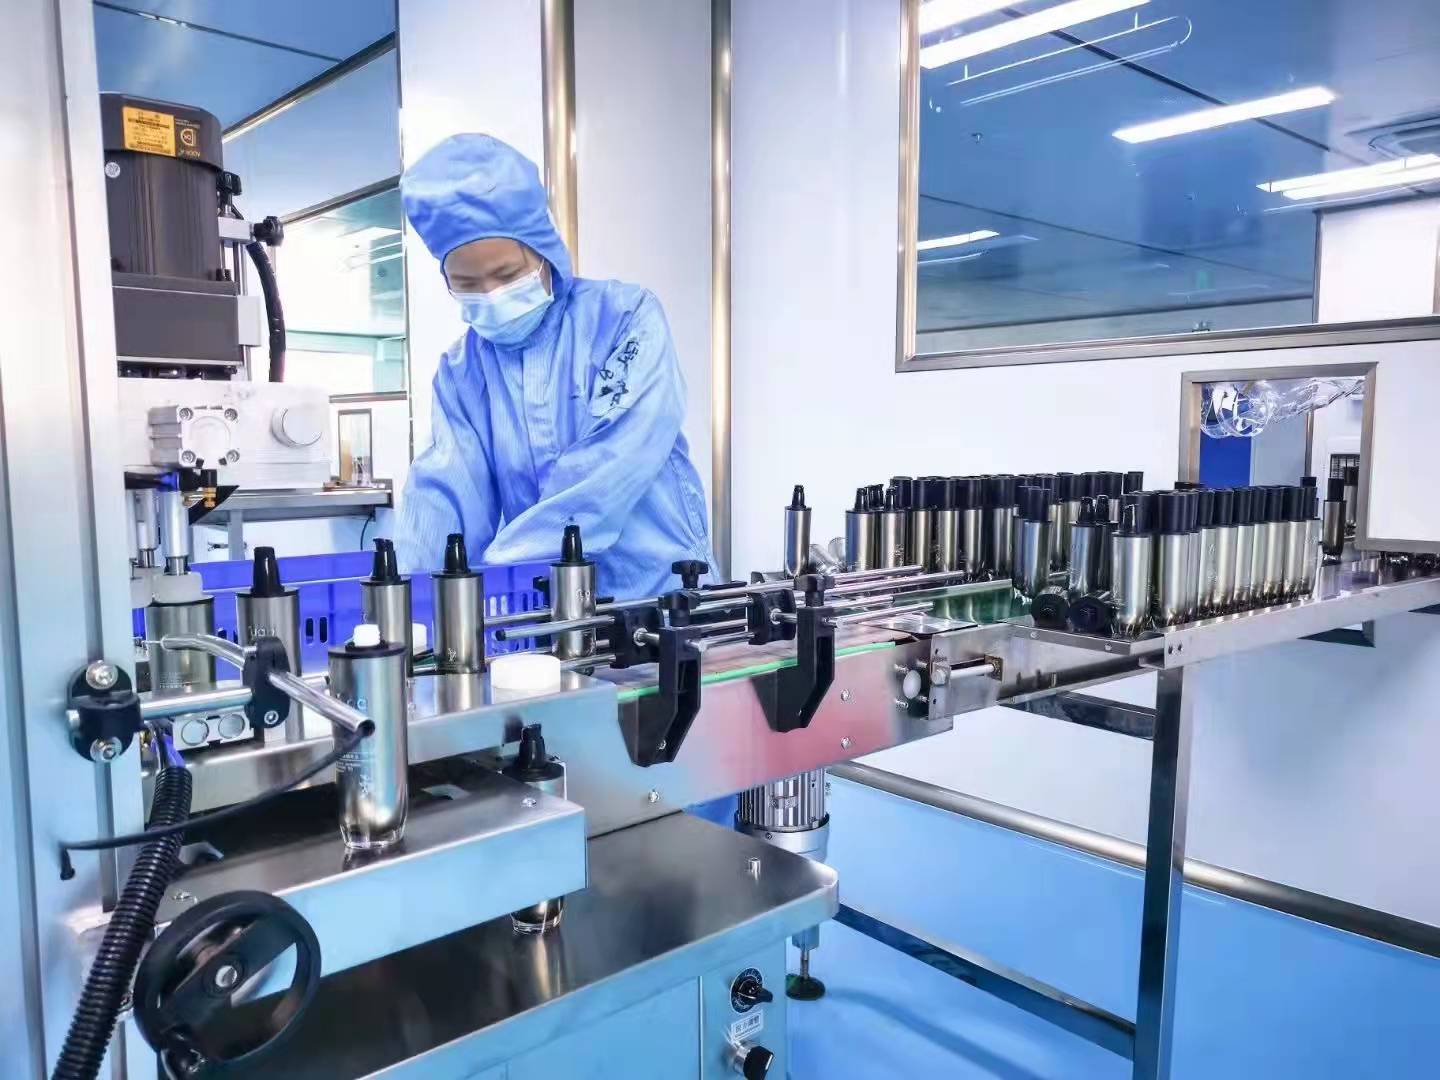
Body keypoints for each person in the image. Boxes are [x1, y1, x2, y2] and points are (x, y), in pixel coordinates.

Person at [395, 134, 713, 600]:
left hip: (661, 599)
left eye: (506, 275)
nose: (491, 295)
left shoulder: (624, 320)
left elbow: (609, 471)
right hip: (551, 613)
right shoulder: (463, 373)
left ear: (544, 251)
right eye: (467, 283)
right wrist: (411, 599)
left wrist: (496, 575)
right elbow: (444, 496)